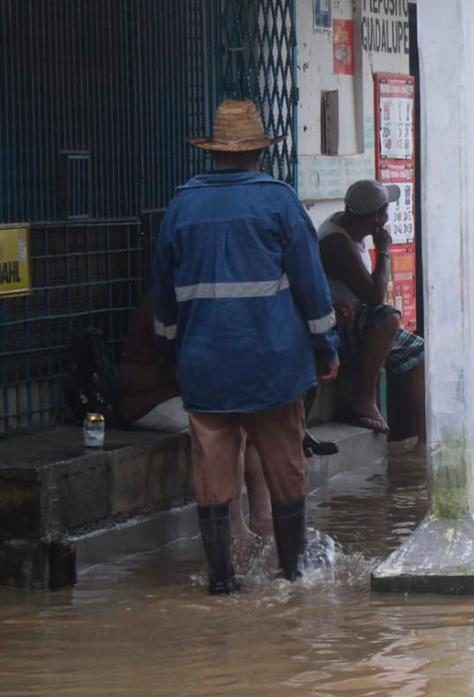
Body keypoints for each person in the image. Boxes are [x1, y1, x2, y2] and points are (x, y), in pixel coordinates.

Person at [151, 100, 340, 594]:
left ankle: (221, 581)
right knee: (285, 464)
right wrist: (327, 345)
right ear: (260, 151)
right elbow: (311, 285)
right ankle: (293, 573)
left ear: (214, 153)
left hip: (205, 363)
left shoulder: (181, 205)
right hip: (273, 364)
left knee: (212, 467)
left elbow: (163, 294)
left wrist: (173, 350)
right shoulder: (278, 202)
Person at [117, 297, 272, 544]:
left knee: (254, 424)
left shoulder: (199, 299)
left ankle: (263, 520)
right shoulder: (165, 306)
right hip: (150, 401)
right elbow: (187, 372)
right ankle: (234, 526)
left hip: (190, 393)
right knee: (229, 431)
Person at [318, 180, 426, 436]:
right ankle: (364, 398)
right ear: (378, 217)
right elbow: (375, 296)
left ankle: (423, 440)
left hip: (354, 316)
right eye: (385, 211)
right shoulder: (337, 243)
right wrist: (385, 250)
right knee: (389, 318)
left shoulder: (350, 230)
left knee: (419, 352)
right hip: (338, 324)